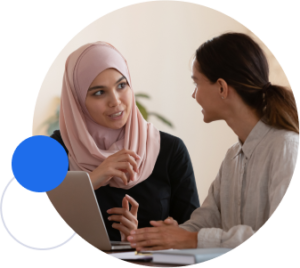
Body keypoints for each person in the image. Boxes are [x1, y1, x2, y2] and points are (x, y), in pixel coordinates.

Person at [127, 32, 300, 250]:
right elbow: (205, 220)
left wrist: (191, 239)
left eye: (197, 83)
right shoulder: (232, 156)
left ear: (221, 88)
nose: (194, 95)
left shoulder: (287, 148)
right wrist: (175, 232)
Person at [50, 41, 200, 242]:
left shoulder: (170, 150)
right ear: (77, 101)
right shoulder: (57, 150)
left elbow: (192, 235)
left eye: (122, 85)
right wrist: (91, 181)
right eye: (99, 92)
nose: (116, 101)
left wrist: (139, 239)